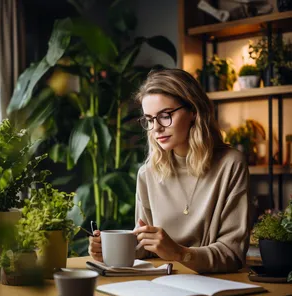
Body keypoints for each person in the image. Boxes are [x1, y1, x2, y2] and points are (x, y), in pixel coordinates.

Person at [89, 68, 250, 274]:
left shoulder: (230, 164)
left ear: (193, 111)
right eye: (149, 119)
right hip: (163, 281)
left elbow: (232, 254)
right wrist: (108, 249)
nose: (156, 128)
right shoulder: (148, 172)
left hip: (214, 285)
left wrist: (179, 253)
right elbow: (145, 247)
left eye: (165, 116)